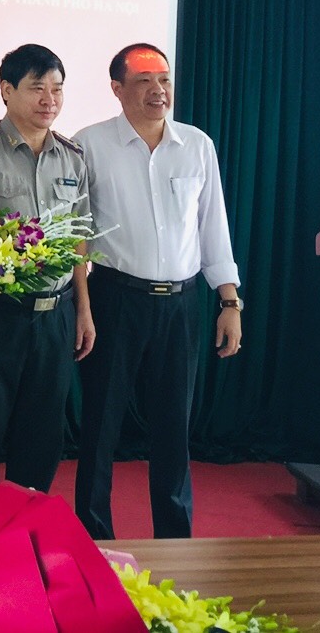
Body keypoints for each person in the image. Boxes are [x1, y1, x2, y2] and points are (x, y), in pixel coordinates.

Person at [73, 42, 243, 540]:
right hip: (114, 298)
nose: (158, 90)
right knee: (100, 427)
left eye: (164, 79)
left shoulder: (197, 145)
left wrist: (229, 300)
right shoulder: (88, 144)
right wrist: (82, 306)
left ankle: (174, 539)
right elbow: (76, 234)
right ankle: (93, 538)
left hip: (181, 305)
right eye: (144, 80)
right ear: (117, 88)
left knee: (173, 428)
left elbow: (213, 227)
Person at [0, 43, 94, 498]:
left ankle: (25, 533)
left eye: (57, 89)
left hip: (55, 316)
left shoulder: (72, 156)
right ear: (7, 90)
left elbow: (79, 239)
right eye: (37, 88)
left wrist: (83, 310)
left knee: (43, 438)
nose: (49, 99)